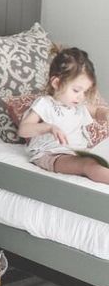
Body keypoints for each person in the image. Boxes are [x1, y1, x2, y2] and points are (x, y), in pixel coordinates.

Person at [17, 46, 109, 184]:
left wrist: (106, 113)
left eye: (85, 91)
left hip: (76, 153)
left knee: (93, 161)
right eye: (77, 90)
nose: (81, 97)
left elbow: (97, 111)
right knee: (89, 165)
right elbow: (23, 130)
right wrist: (48, 128)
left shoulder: (79, 105)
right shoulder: (45, 103)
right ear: (57, 83)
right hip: (52, 154)